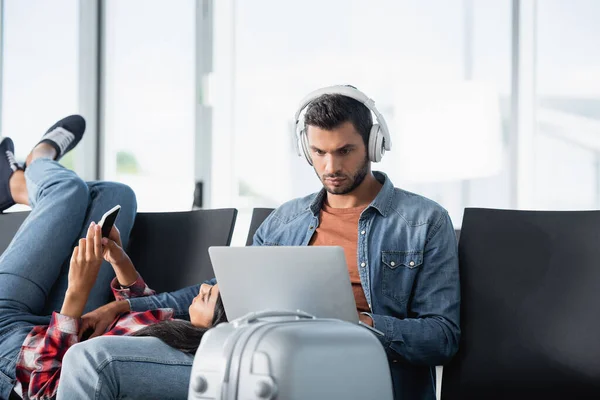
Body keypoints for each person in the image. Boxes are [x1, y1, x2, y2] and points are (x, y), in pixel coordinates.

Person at [63, 85, 461, 400]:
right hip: (258, 355)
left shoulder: (423, 221)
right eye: (319, 152)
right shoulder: (285, 220)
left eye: (345, 151)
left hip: (356, 368)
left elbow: (443, 336)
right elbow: (214, 293)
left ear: (373, 146)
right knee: (87, 358)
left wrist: (361, 324)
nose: (331, 167)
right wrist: (123, 305)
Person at [0, 117, 227, 400]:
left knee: (67, 190)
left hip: (14, 344)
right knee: (117, 193)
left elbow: (46, 390)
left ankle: (34, 163)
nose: (205, 286)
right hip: (61, 324)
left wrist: (76, 292)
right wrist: (120, 261)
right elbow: (140, 312)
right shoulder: (181, 329)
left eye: (217, 296)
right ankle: (21, 184)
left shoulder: (162, 363)